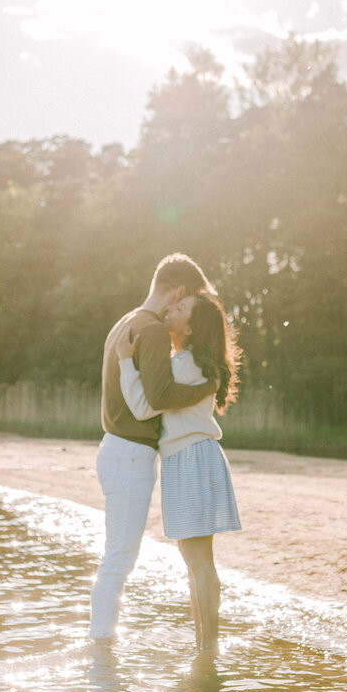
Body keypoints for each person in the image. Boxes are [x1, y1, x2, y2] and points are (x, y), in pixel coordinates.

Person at [90, 254, 217, 642]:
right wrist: (207, 387)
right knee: (119, 561)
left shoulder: (125, 322)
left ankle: (101, 651)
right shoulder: (154, 331)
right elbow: (157, 398)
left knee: (116, 559)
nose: (181, 310)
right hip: (131, 455)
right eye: (187, 300)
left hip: (113, 448)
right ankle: (101, 652)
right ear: (178, 291)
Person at [118, 291, 242, 653]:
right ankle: (204, 646)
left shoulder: (184, 364)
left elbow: (143, 406)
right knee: (196, 562)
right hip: (193, 457)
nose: (170, 310)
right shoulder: (187, 362)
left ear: (190, 327)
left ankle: (209, 649)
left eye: (180, 309)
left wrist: (127, 362)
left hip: (190, 459)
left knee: (198, 562)